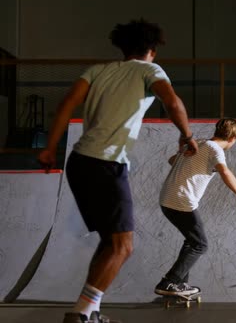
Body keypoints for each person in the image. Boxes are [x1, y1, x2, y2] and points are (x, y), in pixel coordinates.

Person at [37, 18, 198, 323]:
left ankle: (90, 311)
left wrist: (48, 148)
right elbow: (173, 102)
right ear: (152, 50)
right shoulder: (150, 70)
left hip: (79, 162)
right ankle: (82, 313)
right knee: (123, 247)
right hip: (106, 163)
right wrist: (187, 136)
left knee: (109, 242)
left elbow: (66, 105)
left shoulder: (97, 71)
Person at [154, 118, 236, 297]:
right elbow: (225, 172)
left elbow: (172, 160)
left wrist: (182, 153)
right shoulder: (215, 149)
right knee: (200, 244)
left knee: (192, 241)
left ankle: (180, 284)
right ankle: (169, 282)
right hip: (180, 200)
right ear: (233, 138)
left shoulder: (197, 143)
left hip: (168, 198)